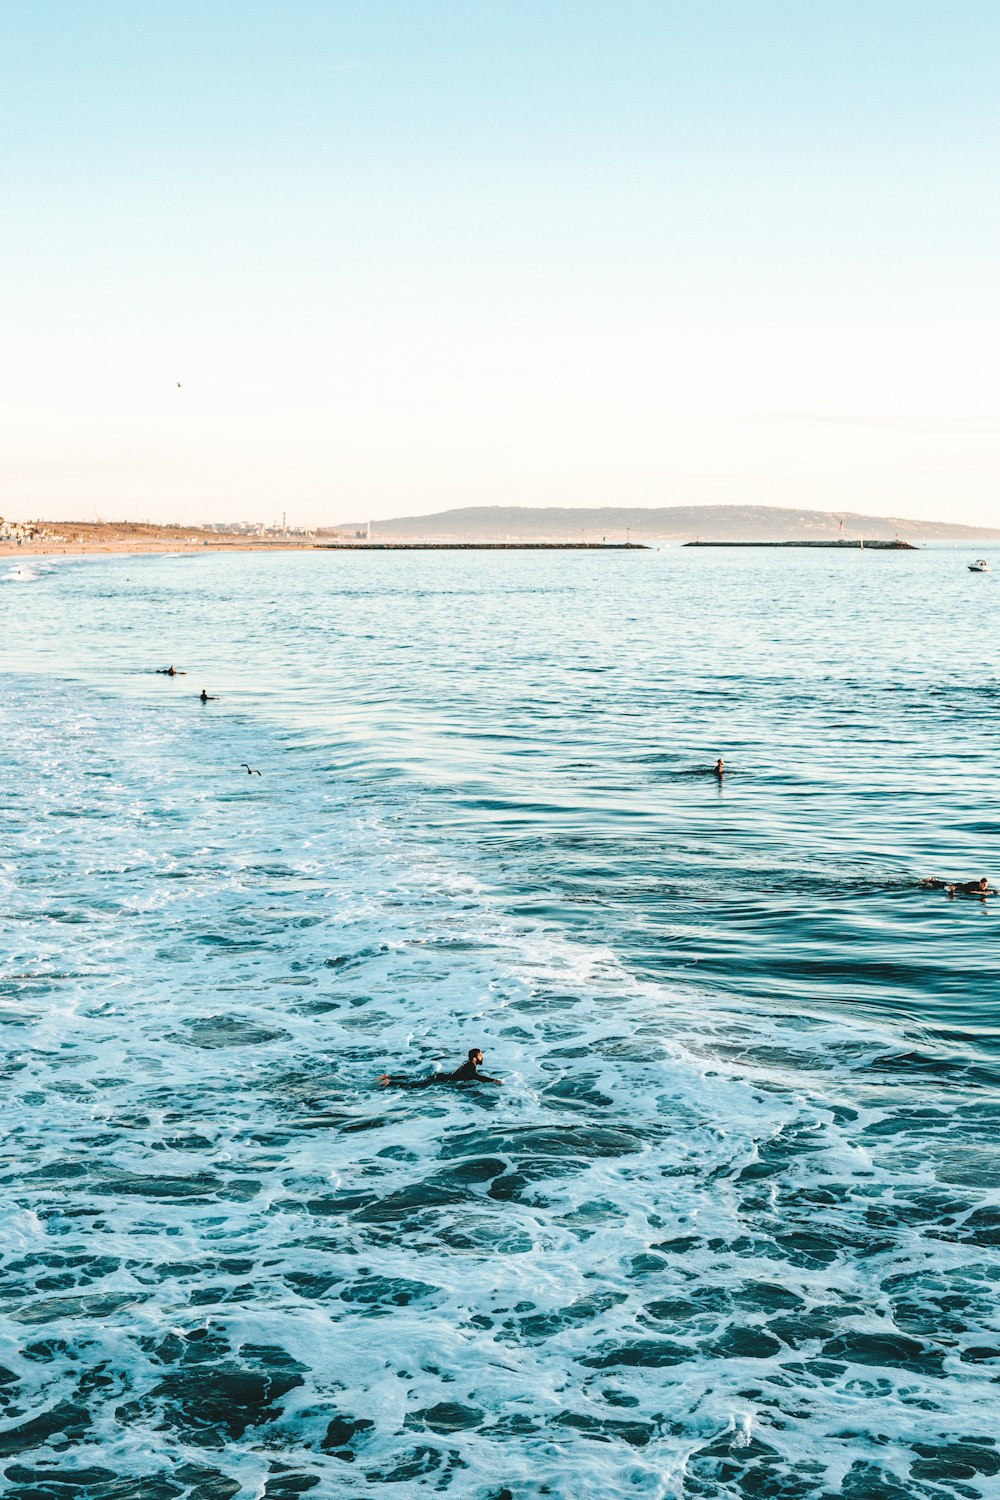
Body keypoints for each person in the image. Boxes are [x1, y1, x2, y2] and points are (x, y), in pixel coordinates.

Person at [378, 1047, 502, 1088]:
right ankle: (390, 1082)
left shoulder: (468, 1063)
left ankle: (389, 1077)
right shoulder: (471, 1066)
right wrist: (493, 1080)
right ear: (475, 1058)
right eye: (480, 1056)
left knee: (415, 1078)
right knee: (415, 1085)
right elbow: (477, 1077)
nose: (482, 1058)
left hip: (441, 1076)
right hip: (441, 1079)